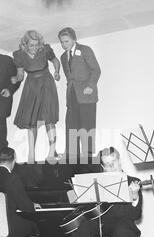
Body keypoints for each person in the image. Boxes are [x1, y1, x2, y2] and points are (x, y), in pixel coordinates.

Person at [12, 30, 60, 162]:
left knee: (49, 118)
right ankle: (31, 154)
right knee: (31, 121)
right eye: (31, 45)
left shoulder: (45, 50)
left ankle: (51, 152)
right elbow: (21, 74)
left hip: (46, 83)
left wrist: (56, 71)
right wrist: (16, 79)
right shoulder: (19, 55)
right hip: (31, 86)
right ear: (25, 44)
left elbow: (56, 61)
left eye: (36, 45)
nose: (34, 48)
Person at [58, 27, 101, 159]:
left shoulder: (85, 50)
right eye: (61, 42)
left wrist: (91, 85)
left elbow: (96, 70)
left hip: (86, 95)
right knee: (71, 124)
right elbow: (69, 77)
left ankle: (87, 156)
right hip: (72, 95)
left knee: (87, 125)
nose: (64, 45)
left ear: (74, 39)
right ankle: (72, 154)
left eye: (66, 41)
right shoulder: (63, 57)